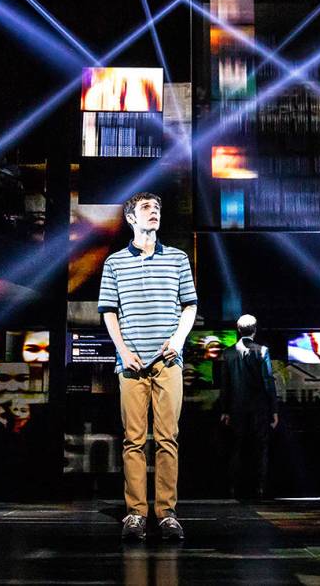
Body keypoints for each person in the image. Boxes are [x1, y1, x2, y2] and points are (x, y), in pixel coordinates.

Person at [98, 192, 197, 541]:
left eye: (157, 207)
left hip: (169, 361)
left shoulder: (178, 259)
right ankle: (136, 513)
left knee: (168, 439)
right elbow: (109, 311)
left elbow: (189, 305)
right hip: (131, 364)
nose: (154, 211)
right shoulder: (114, 264)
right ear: (130, 217)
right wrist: (123, 351)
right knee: (134, 440)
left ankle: (167, 513)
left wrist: (179, 340)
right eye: (145, 208)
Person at [219, 314, 278, 498]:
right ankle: (259, 488)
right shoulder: (262, 351)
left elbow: (225, 384)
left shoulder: (228, 353)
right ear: (255, 329)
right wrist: (274, 409)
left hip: (236, 408)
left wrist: (224, 410)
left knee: (236, 447)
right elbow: (268, 381)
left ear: (238, 329)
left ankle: (233, 488)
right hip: (259, 409)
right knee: (260, 448)